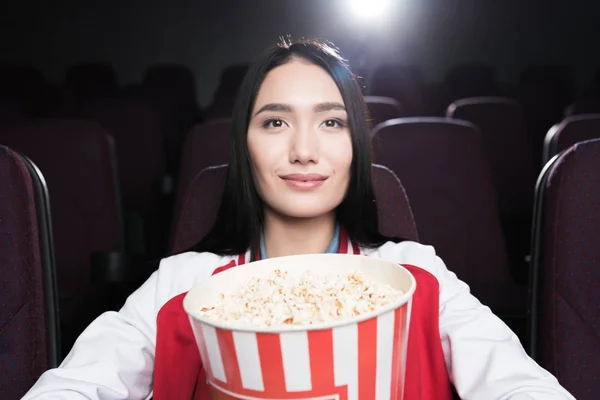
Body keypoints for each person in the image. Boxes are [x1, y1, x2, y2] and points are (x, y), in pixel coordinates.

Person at [23, 38, 574, 400]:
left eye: (332, 123)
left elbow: (517, 383)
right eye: (275, 123)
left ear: (358, 146)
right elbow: (79, 384)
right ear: (245, 146)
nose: (305, 151)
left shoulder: (415, 274)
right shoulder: (182, 282)